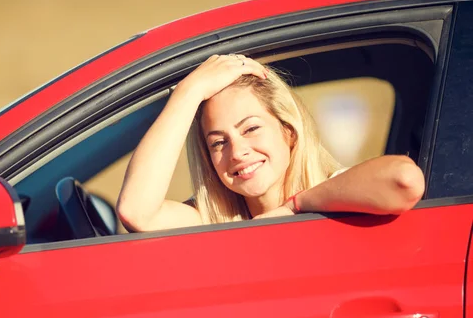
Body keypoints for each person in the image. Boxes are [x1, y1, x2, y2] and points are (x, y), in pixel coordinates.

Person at [116, 54, 425, 231]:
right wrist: (188, 92)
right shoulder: (214, 219)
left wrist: (297, 206)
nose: (237, 152)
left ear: (288, 130)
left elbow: (404, 180)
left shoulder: (336, 192)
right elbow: (137, 212)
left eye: (250, 129)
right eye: (218, 143)